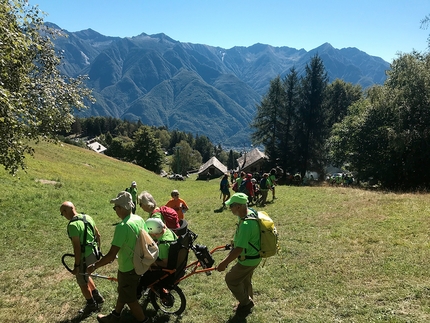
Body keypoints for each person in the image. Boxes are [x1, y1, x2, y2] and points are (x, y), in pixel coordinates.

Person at [87, 191, 149, 323]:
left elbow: (110, 256)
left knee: (131, 300)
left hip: (128, 269)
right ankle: (115, 316)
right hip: (140, 264)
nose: (115, 210)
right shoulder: (139, 219)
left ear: (120, 208)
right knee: (124, 292)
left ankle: (144, 321)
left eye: (115, 207)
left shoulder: (123, 227)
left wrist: (94, 266)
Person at [216, 193, 261, 318]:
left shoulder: (246, 224)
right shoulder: (250, 212)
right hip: (255, 256)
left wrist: (224, 263)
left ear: (239, 207)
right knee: (245, 280)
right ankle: (246, 300)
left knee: (231, 279)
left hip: (248, 259)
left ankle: (247, 302)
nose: (230, 208)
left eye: (231, 206)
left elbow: (239, 250)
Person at [60, 201, 104, 316]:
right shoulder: (87, 217)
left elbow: (77, 248)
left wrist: (77, 265)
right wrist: (98, 250)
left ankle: (91, 305)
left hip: (85, 257)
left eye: (62, 213)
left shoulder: (73, 225)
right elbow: (98, 235)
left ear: (66, 211)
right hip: (95, 254)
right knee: (86, 274)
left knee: (81, 280)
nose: (63, 216)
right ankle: (96, 295)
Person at [136, 218, 178, 297]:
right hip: (176, 263)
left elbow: (165, 263)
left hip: (166, 270)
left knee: (142, 273)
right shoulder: (168, 232)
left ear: (152, 232)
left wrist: (151, 263)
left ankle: (138, 292)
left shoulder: (163, 244)